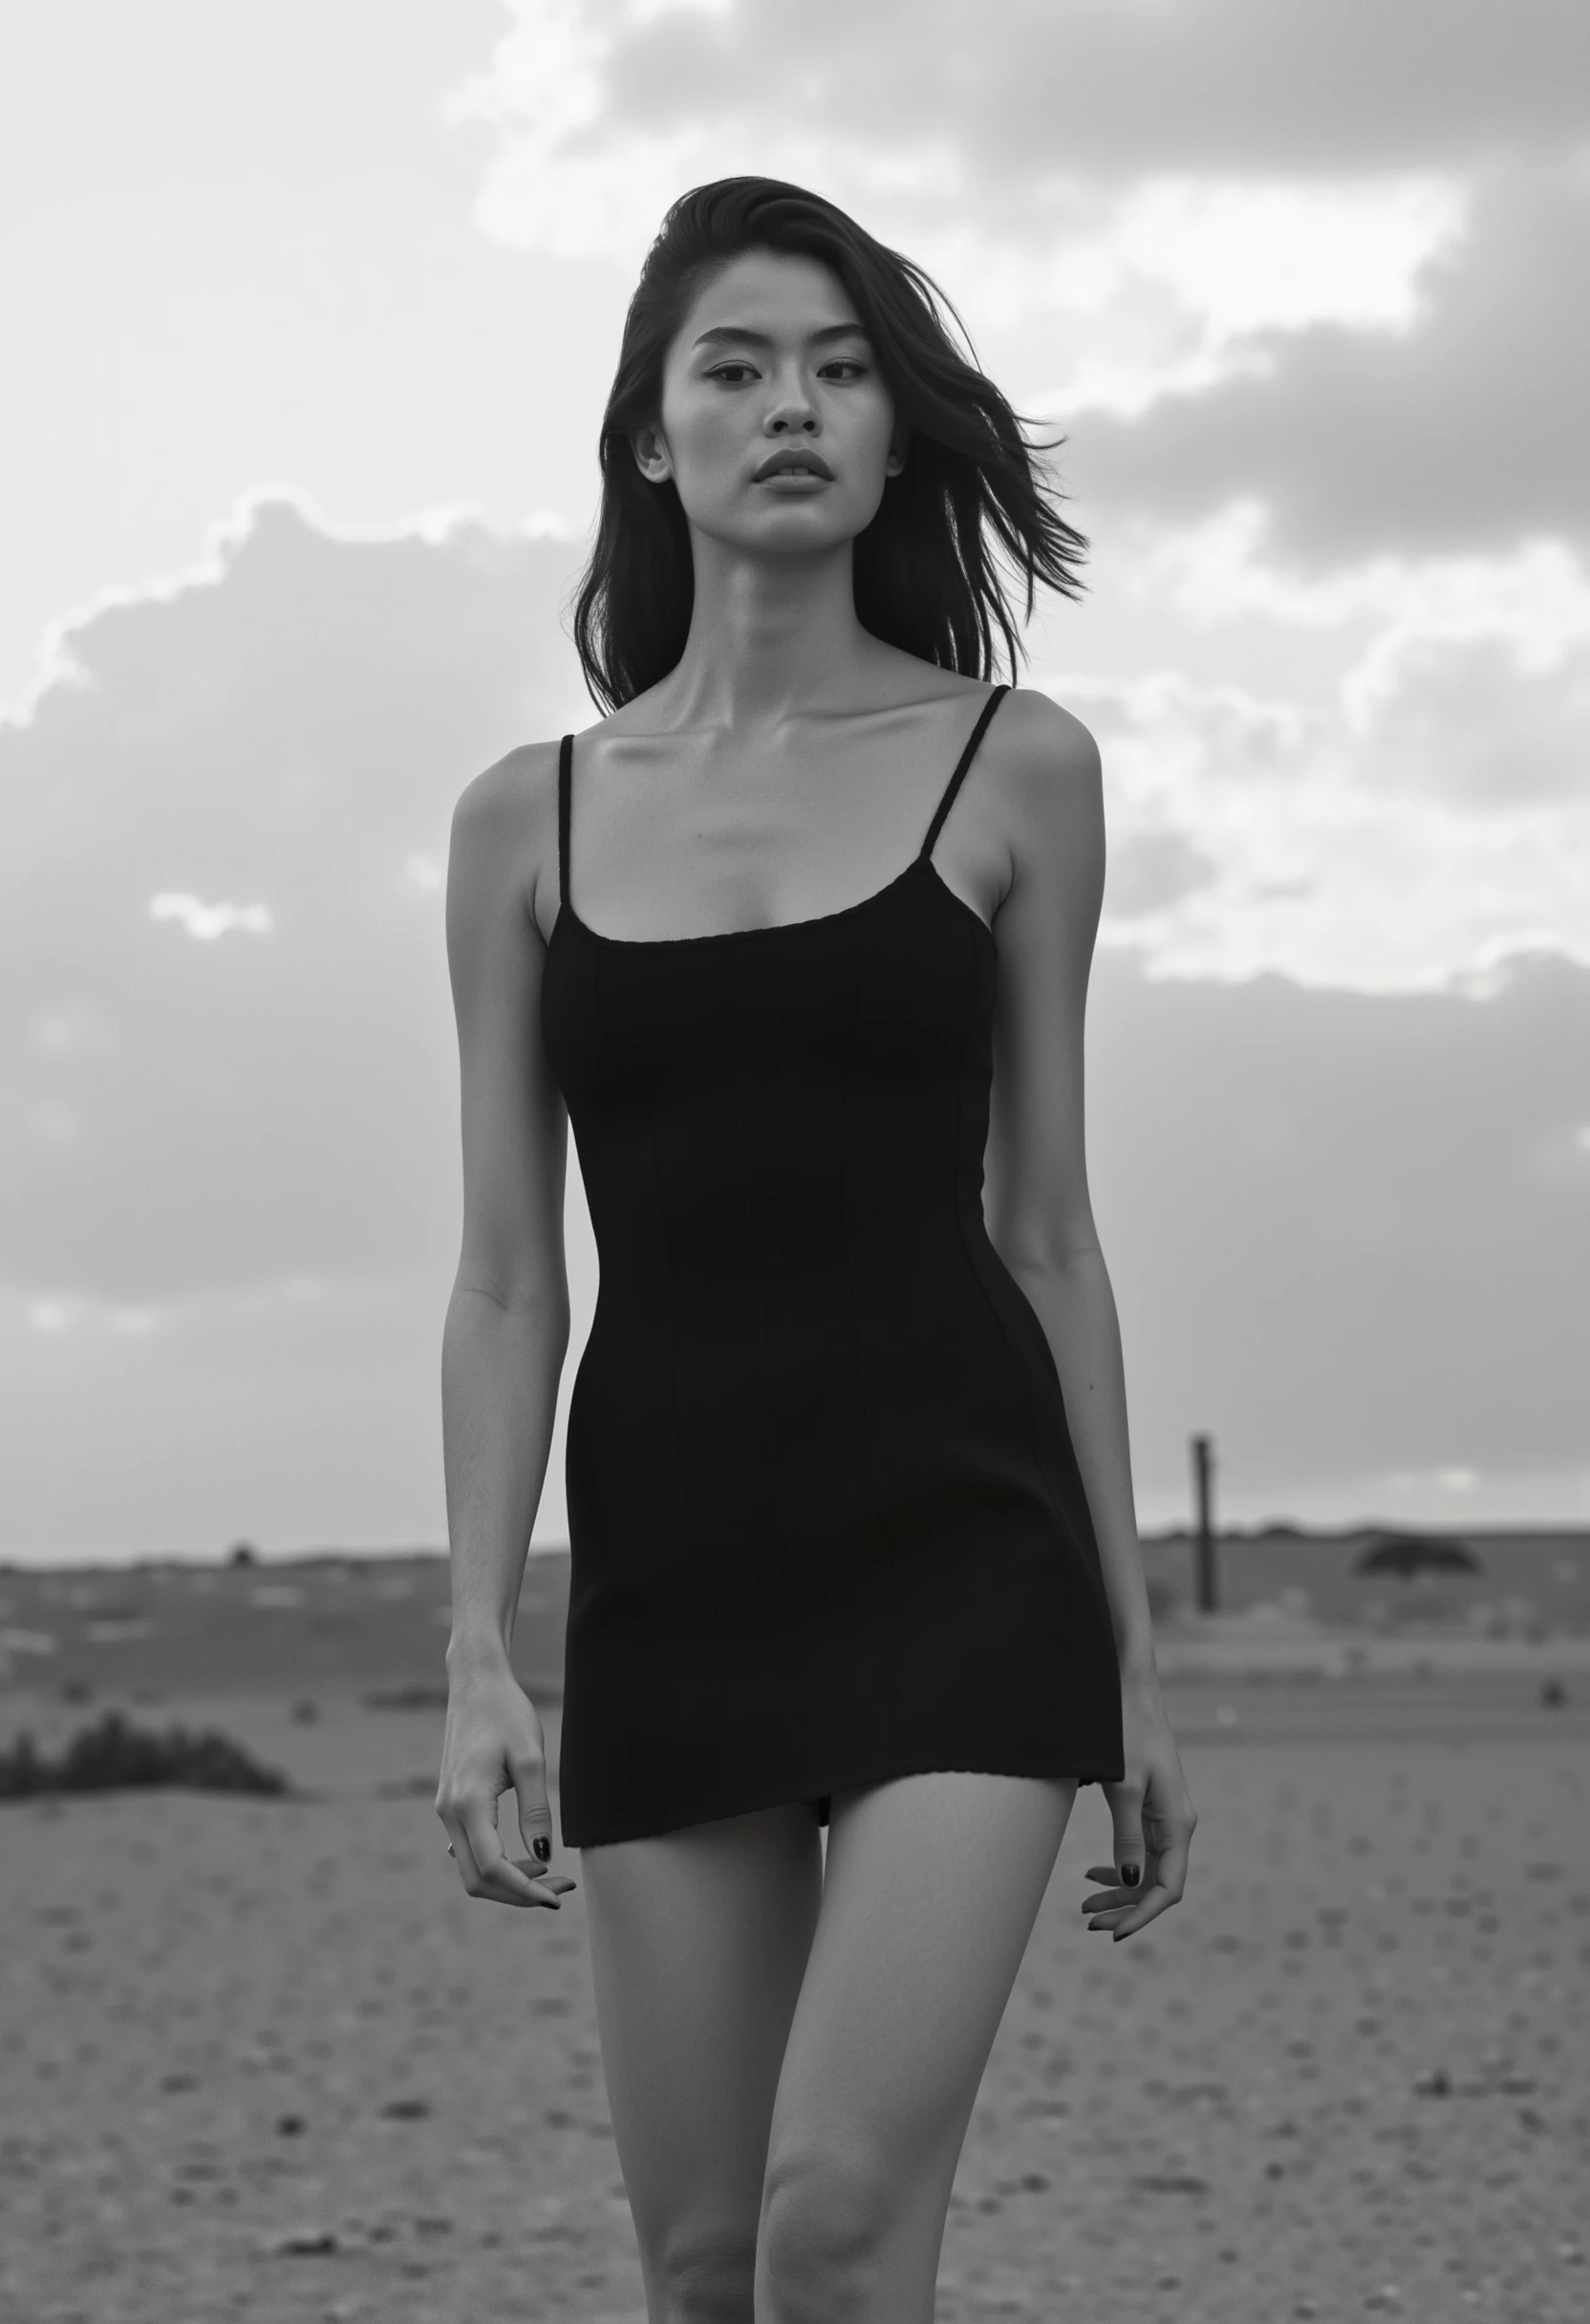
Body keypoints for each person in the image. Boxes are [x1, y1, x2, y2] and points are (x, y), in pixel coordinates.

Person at [436, 176, 1197, 2324]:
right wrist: (477, 1643)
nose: (797, 406)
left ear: (890, 438)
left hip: (964, 1553)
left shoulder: (1011, 766)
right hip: (679, 1570)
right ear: (648, 437)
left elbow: (1045, 1229)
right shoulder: (528, 819)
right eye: (739, 366)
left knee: (837, 2229)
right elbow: (506, 1274)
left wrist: (1133, 1657)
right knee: (698, 2265)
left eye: (843, 370)